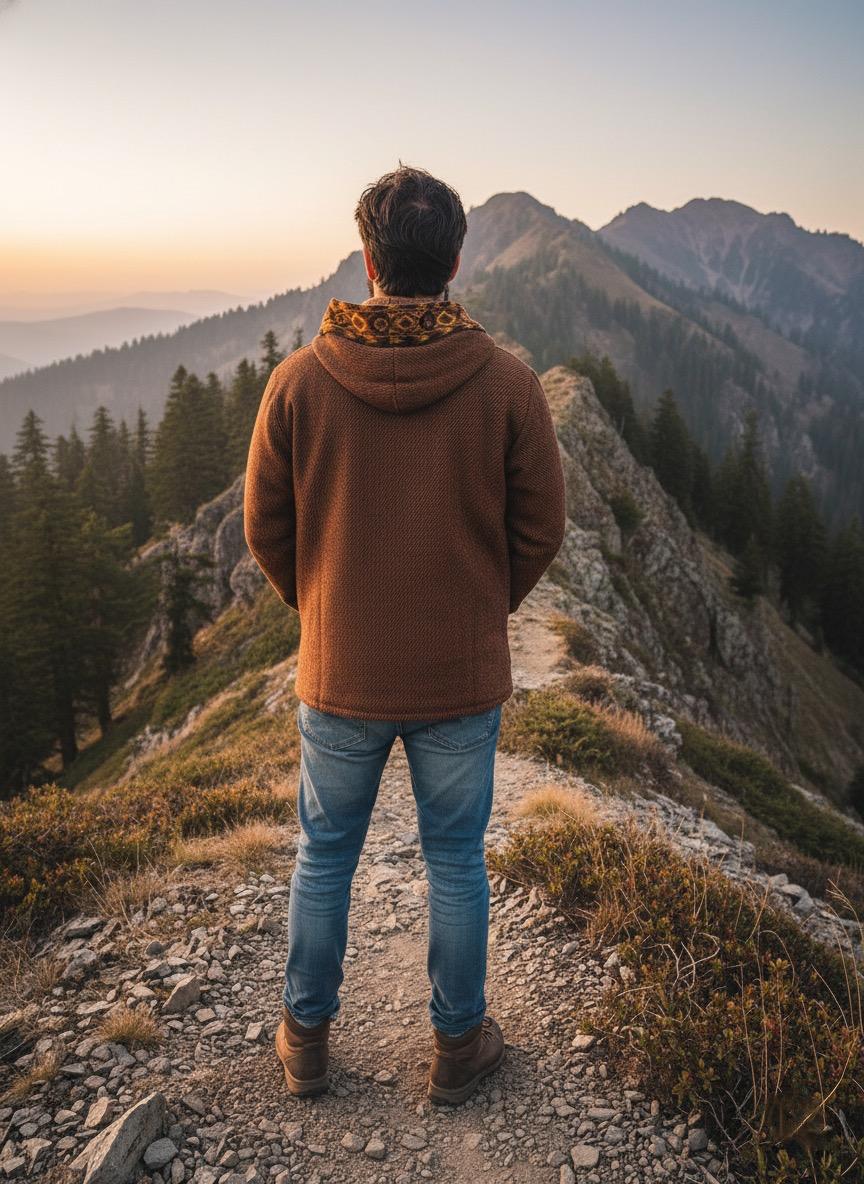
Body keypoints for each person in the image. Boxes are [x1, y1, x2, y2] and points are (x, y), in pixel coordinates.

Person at [243, 164, 566, 1105]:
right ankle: (458, 1050)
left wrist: (325, 611)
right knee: (456, 859)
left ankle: (305, 1043)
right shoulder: (506, 384)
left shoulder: (300, 382)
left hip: (338, 673)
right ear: (455, 261)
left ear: (368, 258)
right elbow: (541, 526)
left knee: (324, 854)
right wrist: (476, 611)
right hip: (459, 678)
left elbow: (268, 528)